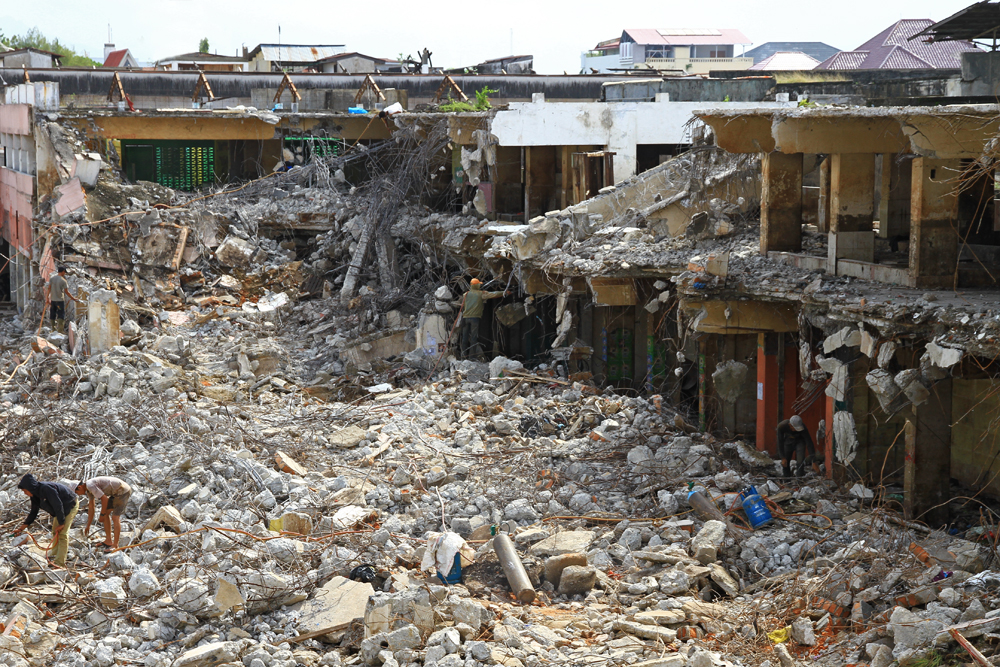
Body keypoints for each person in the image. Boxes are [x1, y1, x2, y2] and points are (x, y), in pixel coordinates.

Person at [14, 473, 79, 567]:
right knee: (54, 532)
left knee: (63, 534)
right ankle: (54, 554)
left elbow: (58, 504)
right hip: (60, 510)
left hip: (70, 505)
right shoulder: (34, 496)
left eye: (25, 490)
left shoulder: (46, 489)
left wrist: (61, 523)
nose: (25, 493)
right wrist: (21, 528)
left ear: (30, 488)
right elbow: (33, 512)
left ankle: (60, 562)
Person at [75, 477, 132, 550]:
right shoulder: (88, 490)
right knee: (106, 516)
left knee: (115, 517)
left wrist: (102, 514)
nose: (78, 494)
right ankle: (108, 541)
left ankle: (115, 545)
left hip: (123, 491)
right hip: (115, 492)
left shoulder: (90, 486)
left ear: (79, 487)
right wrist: (88, 525)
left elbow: (105, 499)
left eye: (77, 492)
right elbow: (91, 507)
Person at [460, 278, 507, 359]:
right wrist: (504, 292)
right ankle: (472, 358)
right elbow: (494, 294)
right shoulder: (481, 294)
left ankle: (463, 356)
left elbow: (463, 306)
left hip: (465, 318)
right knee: (473, 338)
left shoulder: (465, 294)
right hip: (475, 319)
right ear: (477, 285)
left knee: (464, 338)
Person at [46, 266, 82, 334]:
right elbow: (67, 292)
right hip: (60, 301)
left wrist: (47, 298)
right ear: (62, 271)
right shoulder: (63, 281)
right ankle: (60, 330)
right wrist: (73, 298)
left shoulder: (52, 279)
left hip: (53, 300)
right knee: (60, 314)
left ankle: (53, 329)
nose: (65, 273)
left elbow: (49, 289)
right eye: (64, 272)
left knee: (52, 313)